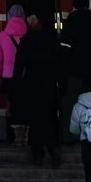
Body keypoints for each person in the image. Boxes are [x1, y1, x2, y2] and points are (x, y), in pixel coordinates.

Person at [16, 9, 68, 167]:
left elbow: (19, 65)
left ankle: (38, 154)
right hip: (50, 87)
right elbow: (60, 65)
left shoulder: (26, 41)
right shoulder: (52, 40)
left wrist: (16, 85)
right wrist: (63, 85)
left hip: (32, 86)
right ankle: (54, 150)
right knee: (51, 120)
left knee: (36, 122)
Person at [0, 2, 28, 138]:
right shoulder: (29, 36)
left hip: (8, 77)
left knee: (10, 106)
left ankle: (11, 136)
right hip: (25, 77)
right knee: (25, 105)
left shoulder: (2, 36)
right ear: (24, 17)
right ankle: (24, 137)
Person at [61, 0, 91, 100]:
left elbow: (65, 47)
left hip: (75, 71)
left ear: (74, 5)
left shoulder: (71, 21)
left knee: (74, 102)